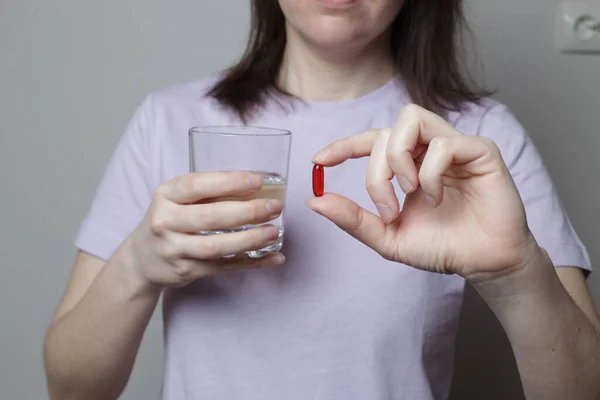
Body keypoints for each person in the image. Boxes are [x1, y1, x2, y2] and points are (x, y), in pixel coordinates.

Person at [44, 0, 600, 399]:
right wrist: (139, 266)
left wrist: (515, 273)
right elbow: (71, 389)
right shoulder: (168, 121)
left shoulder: (476, 143)